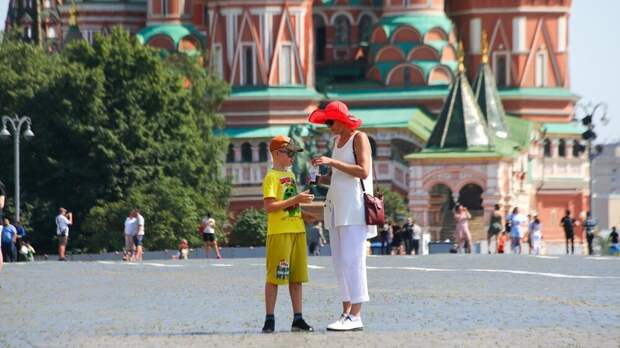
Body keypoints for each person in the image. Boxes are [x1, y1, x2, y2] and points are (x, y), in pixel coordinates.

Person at [310, 100, 377, 332]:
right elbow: (339, 177)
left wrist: (332, 162)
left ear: (341, 120)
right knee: (339, 263)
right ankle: (346, 312)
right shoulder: (337, 142)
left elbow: (363, 170)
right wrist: (320, 178)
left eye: (330, 121)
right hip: (336, 207)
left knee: (353, 260)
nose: (328, 126)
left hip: (355, 208)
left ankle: (356, 315)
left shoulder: (360, 138)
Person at [261, 134, 314, 333]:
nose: (292, 157)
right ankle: (269, 319)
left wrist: (306, 214)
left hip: (297, 230)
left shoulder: (290, 176)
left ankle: (298, 318)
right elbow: (270, 206)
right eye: (289, 153)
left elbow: (291, 203)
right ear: (276, 153)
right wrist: (296, 200)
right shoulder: (271, 177)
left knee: (296, 278)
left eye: (294, 153)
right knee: (275, 277)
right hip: (279, 232)